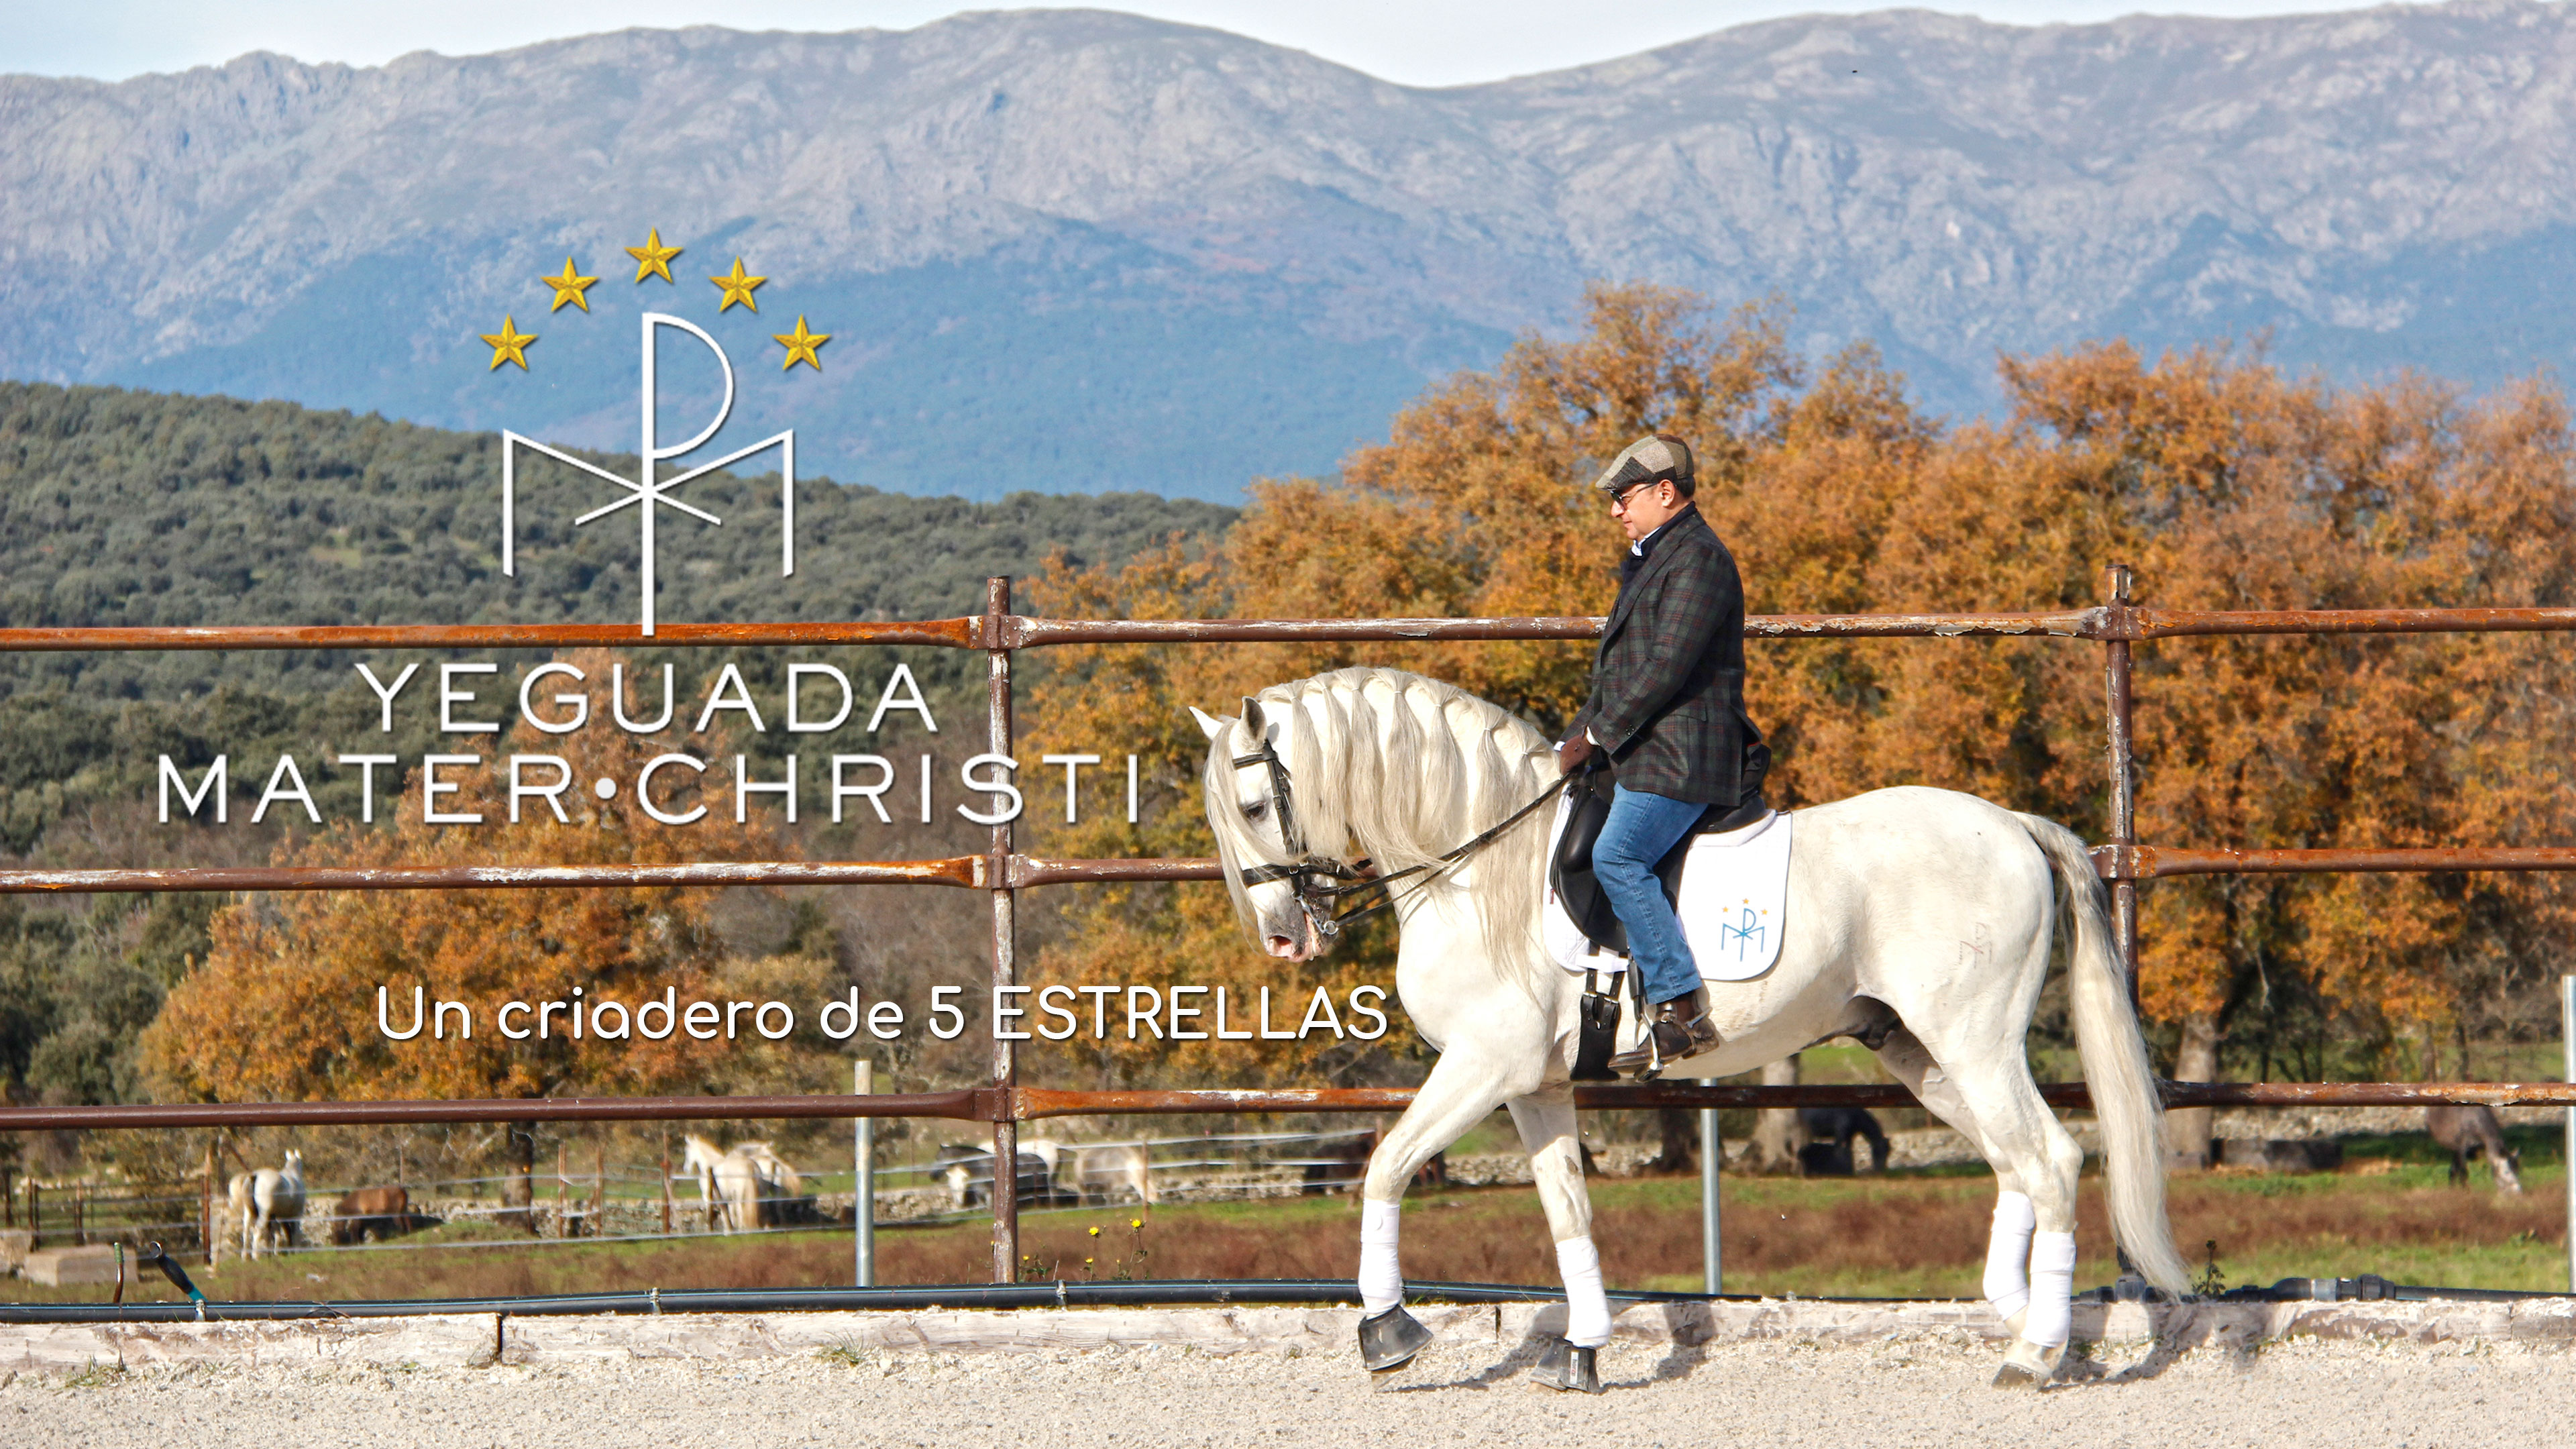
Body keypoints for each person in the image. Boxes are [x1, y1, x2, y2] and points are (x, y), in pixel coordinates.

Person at [1558, 433, 1768, 1075]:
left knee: (1617, 854)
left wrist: (1596, 737)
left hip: (1684, 752)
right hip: (1649, 745)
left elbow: (1665, 668)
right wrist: (1574, 736)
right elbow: (1620, 673)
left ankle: (1679, 1008)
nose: (1616, 510)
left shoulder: (1699, 560)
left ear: (1664, 492)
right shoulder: (1658, 557)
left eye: (1623, 497)